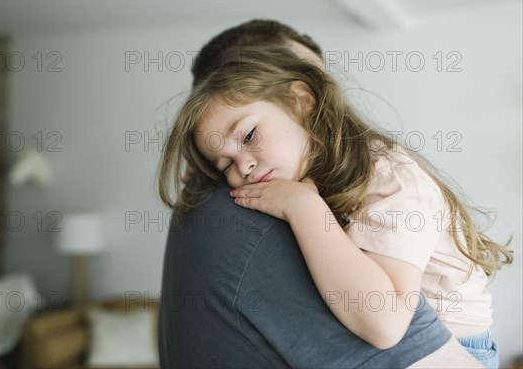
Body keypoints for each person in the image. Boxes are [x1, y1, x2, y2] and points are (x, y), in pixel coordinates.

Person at [158, 20, 485, 368]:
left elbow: (385, 323)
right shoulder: (292, 170)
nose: (243, 169)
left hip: (464, 347)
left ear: (301, 100)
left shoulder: (391, 179)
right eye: (225, 165)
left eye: (249, 136)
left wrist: (305, 210)